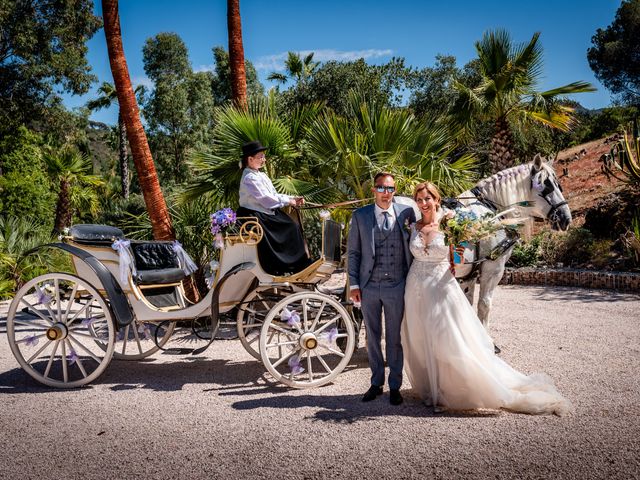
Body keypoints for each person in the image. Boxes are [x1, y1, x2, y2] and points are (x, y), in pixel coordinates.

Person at [402, 182, 571, 415]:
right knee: (421, 336)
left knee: (448, 337)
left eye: (427, 198)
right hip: (415, 286)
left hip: (440, 284)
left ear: (436, 199)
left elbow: (458, 260)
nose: (423, 203)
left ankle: (451, 390)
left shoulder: (450, 220)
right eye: (419, 199)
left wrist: (458, 252)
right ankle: (433, 388)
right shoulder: (413, 225)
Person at [347, 172, 416, 405]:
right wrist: (354, 284)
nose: (386, 193)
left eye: (390, 189)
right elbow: (354, 253)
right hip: (368, 286)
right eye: (381, 188)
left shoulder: (407, 214)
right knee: (372, 337)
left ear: (395, 191)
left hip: (397, 285)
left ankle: (395, 385)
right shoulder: (360, 216)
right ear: (374, 190)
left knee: (395, 338)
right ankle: (376, 383)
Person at [237, 140, 310, 276]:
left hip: (266, 211)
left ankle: (298, 263)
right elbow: (266, 199)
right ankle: (291, 265)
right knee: (290, 227)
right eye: (261, 157)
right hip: (255, 215)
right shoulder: (249, 178)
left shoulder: (261, 175)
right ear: (250, 159)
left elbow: (273, 195)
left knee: (292, 226)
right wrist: (290, 201)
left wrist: (292, 197)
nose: (264, 160)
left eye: (264, 156)